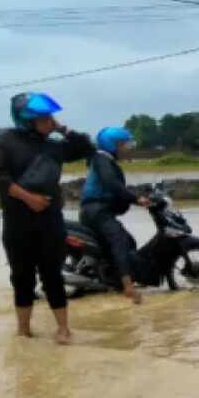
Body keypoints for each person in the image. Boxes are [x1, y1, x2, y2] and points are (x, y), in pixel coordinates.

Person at [0, 93, 95, 344]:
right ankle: (24, 330)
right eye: (45, 118)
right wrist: (27, 197)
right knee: (22, 276)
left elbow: (87, 148)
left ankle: (63, 329)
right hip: (18, 222)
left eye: (51, 117)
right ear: (27, 120)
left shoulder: (54, 144)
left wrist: (62, 128)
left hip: (50, 221)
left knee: (53, 275)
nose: (51, 121)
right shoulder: (4, 142)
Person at [79, 127, 149, 305]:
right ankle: (128, 287)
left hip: (96, 211)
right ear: (114, 144)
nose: (127, 148)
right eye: (124, 144)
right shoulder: (102, 159)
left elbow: (115, 187)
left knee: (130, 242)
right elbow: (112, 185)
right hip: (97, 211)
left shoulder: (103, 159)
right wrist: (135, 199)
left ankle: (114, 279)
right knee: (119, 239)